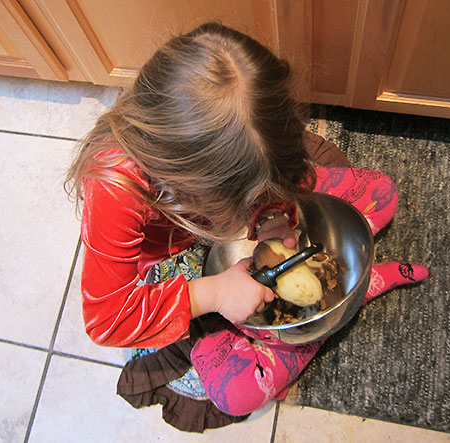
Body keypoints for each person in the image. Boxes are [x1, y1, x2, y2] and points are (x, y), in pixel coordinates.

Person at [65, 22, 428, 432]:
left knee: (382, 192)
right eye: (244, 204)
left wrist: (273, 215)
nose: (248, 215)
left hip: (215, 193)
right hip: (175, 265)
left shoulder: (235, 136)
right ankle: (317, 331)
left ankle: (320, 313)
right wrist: (214, 294)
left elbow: (266, 182)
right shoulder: (115, 185)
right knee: (237, 392)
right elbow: (106, 319)